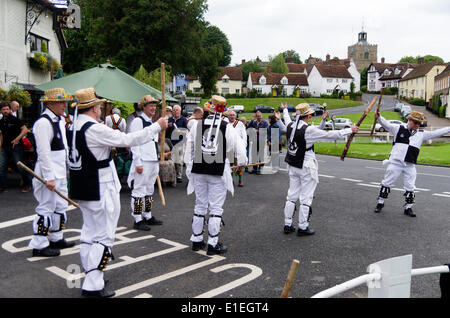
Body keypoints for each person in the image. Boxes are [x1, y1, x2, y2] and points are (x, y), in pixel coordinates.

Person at [67, 87, 168, 298]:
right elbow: (128, 140)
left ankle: (92, 273)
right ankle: (94, 282)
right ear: (94, 108)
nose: (102, 108)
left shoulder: (74, 126)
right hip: (99, 185)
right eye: (99, 106)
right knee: (104, 235)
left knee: (89, 233)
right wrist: (157, 127)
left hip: (84, 184)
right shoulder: (96, 128)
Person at [276, 103, 358, 236]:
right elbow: (331, 134)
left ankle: (287, 224)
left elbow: (286, 119)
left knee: (291, 196)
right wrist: (350, 130)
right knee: (306, 197)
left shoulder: (290, 125)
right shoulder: (308, 130)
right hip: (306, 165)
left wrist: (285, 109)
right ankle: (303, 227)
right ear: (308, 116)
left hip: (292, 164)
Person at [184, 95, 247, 255]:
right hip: (217, 171)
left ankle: (196, 239)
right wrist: (241, 162)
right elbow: (238, 148)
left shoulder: (197, 125)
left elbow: (189, 147)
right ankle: (213, 243)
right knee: (215, 208)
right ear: (222, 111)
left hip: (198, 169)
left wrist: (190, 166)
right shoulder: (227, 126)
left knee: (200, 204)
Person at [373, 110, 450, 217]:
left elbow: (437, 133)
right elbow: (386, 124)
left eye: (419, 123)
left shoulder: (422, 134)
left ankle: (408, 208)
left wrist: (448, 128)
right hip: (395, 163)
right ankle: (380, 203)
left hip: (410, 165)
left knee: (410, 186)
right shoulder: (398, 128)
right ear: (409, 120)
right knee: (387, 183)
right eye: (416, 122)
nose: (418, 125)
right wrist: (379, 117)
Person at [28, 88, 76, 257]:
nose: (65, 105)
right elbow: (43, 152)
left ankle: (56, 237)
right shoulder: (43, 123)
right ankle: (39, 244)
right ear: (50, 103)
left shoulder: (60, 120)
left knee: (61, 206)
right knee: (46, 208)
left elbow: (64, 147)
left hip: (61, 172)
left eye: (65, 102)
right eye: (61, 102)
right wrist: (48, 177)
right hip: (48, 174)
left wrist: (68, 167)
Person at [127, 95, 164, 231]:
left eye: (155, 105)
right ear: (144, 107)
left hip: (152, 160)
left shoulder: (152, 123)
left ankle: (147, 215)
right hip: (143, 160)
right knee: (138, 190)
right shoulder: (138, 121)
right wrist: (137, 162)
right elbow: (134, 142)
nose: (154, 108)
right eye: (151, 105)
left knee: (149, 190)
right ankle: (137, 218)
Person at [0, 101, 31, 193]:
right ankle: (3, 186)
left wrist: (17, 139)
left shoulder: (15, 119)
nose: (5, 111)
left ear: (10, 110)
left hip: (16, 147)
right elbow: (1, 135)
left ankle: (27, 184)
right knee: (1, 166)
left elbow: (25, 130)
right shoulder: (1, 122)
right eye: (3, 109)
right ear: (1, 111)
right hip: (4, 147)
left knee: (20, 166)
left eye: (7, 109)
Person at [168, 104, 188, 183]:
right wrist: (167, 126)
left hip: (180, 142)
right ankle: (172, 175)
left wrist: (180, 131)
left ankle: (179, 175)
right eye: (174, 110)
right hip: (170, 142)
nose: (175, 111)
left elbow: (187, 131)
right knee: (172, 159)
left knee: (179, 160)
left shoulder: (183, 120)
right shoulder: (170, 119)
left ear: (180, 111)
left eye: (177, 110)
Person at [228, 110, 247, 187]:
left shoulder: (240, 124)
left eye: (233, 115)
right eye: (230, 115)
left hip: (238, 148)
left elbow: (244, 135)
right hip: (229, 148)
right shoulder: (226, 123)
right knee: (230, 165)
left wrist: (244, 146)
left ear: (235, 116)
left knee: (239, 165)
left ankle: (240, 179)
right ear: (228, 116)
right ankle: (231, 180)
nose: (232, 116)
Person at [247, 110, 269, 175]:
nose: (259, 117)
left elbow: (267, 131)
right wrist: (251, 120)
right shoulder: (254, 122)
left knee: (261, 155)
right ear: (256, 116)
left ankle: (260, 168)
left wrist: (258, 131)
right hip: (254, 140)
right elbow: (248, 127)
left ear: (261, 116)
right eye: (258, 116)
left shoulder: (265, 122)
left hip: (261, 141)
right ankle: (254, 168)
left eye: (260, 116)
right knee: (254, 155)